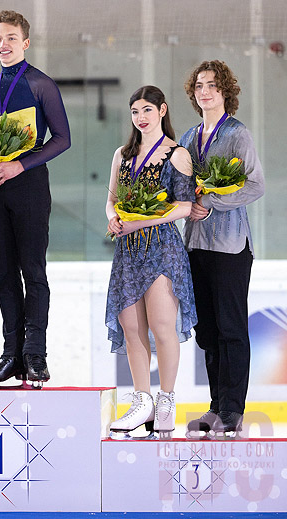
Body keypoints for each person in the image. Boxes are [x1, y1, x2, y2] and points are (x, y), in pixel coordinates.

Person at [0, 10, 71, 388]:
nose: (4, 45)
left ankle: (35, 355)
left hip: (30, 188)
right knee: (3, 276)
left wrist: (20, 165)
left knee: (32, 271)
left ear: (25, 42)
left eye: (11, 38)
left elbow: (62, 139)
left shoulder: (41, 85)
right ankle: (10, 353)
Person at [105, 85, 197, 438]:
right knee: (131, 329)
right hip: (128, 251)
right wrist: (112, 217)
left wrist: (140, 221)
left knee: (162, 328)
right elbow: (112, 200)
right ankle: (141, 400)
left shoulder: (177, 154)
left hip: (161, 248)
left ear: (162, 110)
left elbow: (185, 206)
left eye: (146, 110)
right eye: (134, 112)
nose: (140, 118)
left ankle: (166, 399)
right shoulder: (122, 154)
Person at [181, 61, 264, 436]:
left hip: (230, 246)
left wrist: (210, 200)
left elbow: (254, 186)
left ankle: (233, 409)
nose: (205, 91)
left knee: (231, 329)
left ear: (225, 91)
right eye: (200, 85)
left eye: (213, 85)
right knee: (208, 331)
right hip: (196, 245)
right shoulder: (188, 136)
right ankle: (216, 405)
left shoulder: (237, 134)